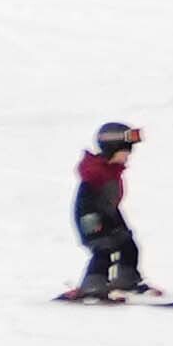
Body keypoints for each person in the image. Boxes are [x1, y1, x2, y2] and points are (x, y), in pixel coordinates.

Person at [68, 122, 150, 300]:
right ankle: (92, 285)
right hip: (90, 219)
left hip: (109, 216)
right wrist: (94, 223)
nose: (129, 155)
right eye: (126, 150)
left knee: (128, 245)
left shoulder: (112, 171)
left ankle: (126, 280)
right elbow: (87, 203)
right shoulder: (95, 173)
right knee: (103, 250)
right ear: (112, 148)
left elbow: (110, 203)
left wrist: (117, 223)